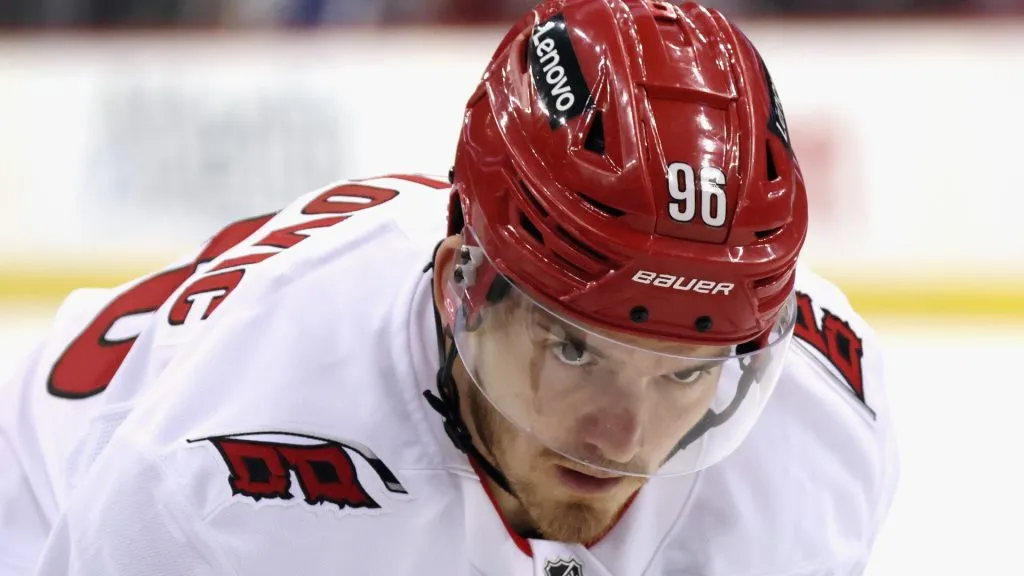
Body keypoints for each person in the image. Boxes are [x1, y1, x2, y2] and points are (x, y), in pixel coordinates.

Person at [0, 1, 899, 574]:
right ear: (459, 290)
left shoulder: (823, 425)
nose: (622, 438)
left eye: (683, 373)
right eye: (574, 348)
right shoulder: (214, 482)